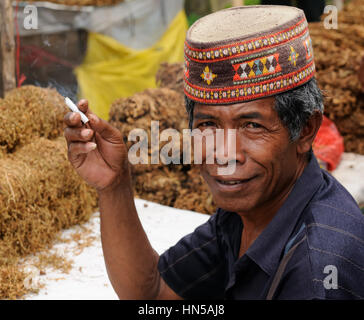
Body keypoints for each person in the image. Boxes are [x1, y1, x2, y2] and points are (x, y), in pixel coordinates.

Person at [64, 6, 364, 299]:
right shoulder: (249, 212)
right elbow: (153, 291)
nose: (224, 153)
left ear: (305, 130)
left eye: (252, 126)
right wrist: (115, 185)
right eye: (208, 124)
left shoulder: (318, 275)